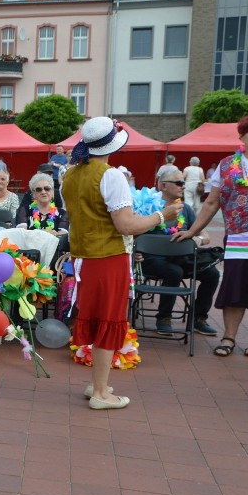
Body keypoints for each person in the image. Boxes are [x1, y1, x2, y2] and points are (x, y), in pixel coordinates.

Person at [62, 117, 182, 410]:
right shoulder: (111, 175)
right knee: (109, 319)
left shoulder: (69, 175)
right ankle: (101, 392)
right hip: (108, 258)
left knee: (95, 318)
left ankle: (97, 383)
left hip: (83, 258)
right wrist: (162, 216)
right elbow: (126, 225)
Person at [175, 114, 248, 357]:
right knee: (235, 288)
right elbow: (211, 203)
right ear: (242, 136)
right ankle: (229, 338)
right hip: (240, 238)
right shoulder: (227, 165)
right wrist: (192, 230)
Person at [136, 170, 219, 336]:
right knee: (174, 272)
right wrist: (134, 251)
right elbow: (133, 233)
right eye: (179, 183)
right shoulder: (147, 206)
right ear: (164, 185)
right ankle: (164, 317)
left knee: (213, 274)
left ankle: (198, 318)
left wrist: (198, 240)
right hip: (153, 259)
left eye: (184, 183)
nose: (183, 186)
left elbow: (205, 235)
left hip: (182, 258)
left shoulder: (185, 209)